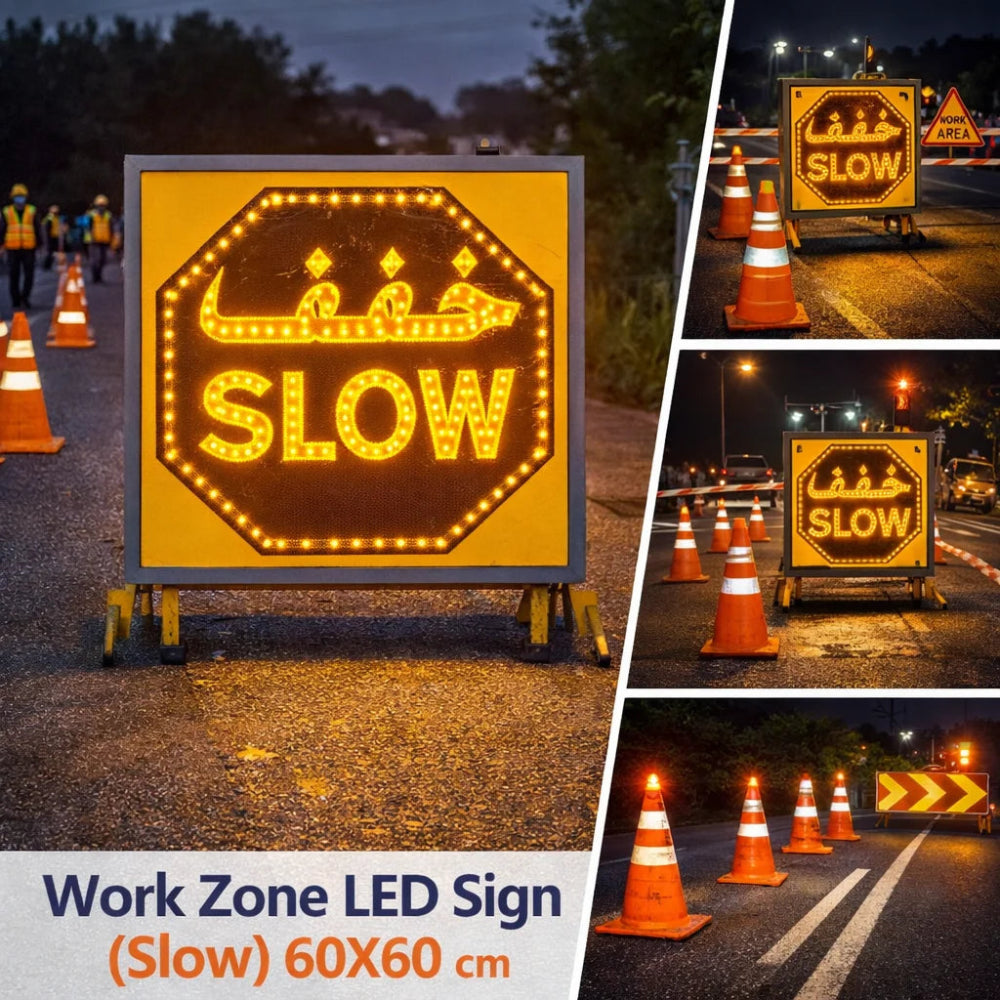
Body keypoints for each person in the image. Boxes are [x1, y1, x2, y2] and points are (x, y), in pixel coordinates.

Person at [0, 183, 42, 310]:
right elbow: (2, 230)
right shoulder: (6, 211)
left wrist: (39, 244)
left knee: (29, 274)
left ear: (26, 197)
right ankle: (16, 300)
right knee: (14, 275)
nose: (20, 199)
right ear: (13, 198)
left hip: (29, 247)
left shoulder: (32, 210)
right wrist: (1, 245)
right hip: (12, 247)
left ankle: (25, 297)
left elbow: (37, 228)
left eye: (22, 196)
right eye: (17, 196)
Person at [85, 194, 113, 282]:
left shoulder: (108, 215)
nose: (101, 207)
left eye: (103, 205)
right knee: (95, 260)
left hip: (104, 240)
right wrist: (91, 237)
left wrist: (111, 240)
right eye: (100, 205)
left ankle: (99, 275)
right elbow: (88, 227)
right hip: (94, 241)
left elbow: (111, 228)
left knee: (103, 260)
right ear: (96, 205)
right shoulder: (91, 215)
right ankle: (95, 277)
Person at [41, 204, 63, 270]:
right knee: (50, 252)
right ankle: (46, 265)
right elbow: (47, 227)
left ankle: (48, 265)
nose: (57, 212)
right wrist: (48, 237)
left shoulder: (56, 217)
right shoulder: (50, 217)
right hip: (50, 237)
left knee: (53, 252)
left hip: (54, 236)